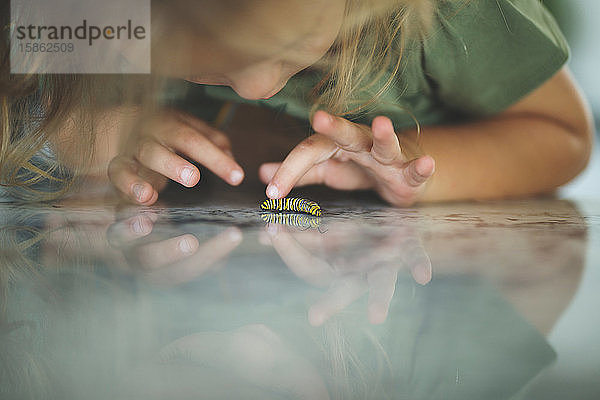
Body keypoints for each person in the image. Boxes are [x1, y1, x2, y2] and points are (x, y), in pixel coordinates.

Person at [0, 0, 594, 205]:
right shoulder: (108, 19)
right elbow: (22, 54)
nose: (259, 86)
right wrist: (69, 127)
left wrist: (408, 170)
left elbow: (563, 135)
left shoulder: (449, 12)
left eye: (288, 48)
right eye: (197, 59)